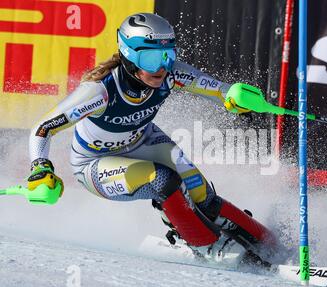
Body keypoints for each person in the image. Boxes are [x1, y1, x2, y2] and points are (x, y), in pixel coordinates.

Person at [27, 13, 276, 265]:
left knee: (202, 196)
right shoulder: (99, 91)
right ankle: (205, 244)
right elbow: (43, 128)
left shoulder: (170, 74)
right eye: (151, 58)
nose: (162, 67)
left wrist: (236, 97)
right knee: (164, 181)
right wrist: (40, 168)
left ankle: (266, 241)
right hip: (94, 164)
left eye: (168, 56)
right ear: (129, 55)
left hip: (143, 141)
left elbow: (219, 91)